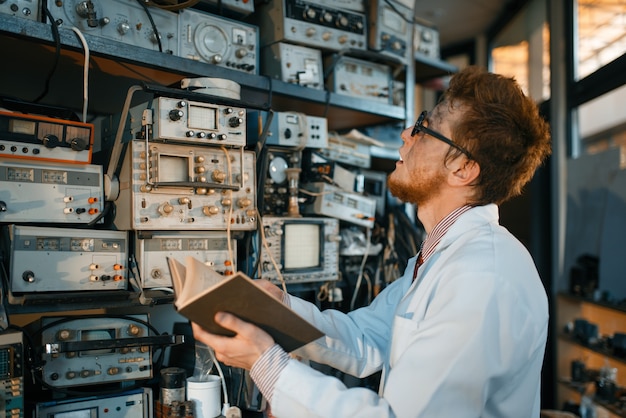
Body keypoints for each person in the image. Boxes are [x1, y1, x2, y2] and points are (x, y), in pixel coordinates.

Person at [192, 65, 552, 417]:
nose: (407, 134)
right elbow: (366, 338)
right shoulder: (442, 257)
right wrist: (279, 309)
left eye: (426, 126)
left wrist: (265, 364)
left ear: (462, 169)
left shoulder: (481, 276)